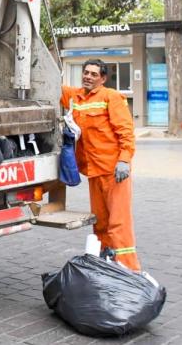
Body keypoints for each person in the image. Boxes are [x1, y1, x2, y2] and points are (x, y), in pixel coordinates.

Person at [61, 59, 140, 272]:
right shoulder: (75, 97)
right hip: (94, 171)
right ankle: (107, 264)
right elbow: (53, 87)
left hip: (114, 171)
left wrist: (124, 160)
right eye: (86, 72)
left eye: (94, 74)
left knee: (118, 223)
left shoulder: (111, 97)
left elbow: (125, 131)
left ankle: (128, 270)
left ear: (103, 79)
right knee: (101, 223)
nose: (88, 76)